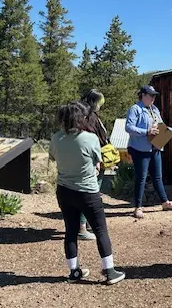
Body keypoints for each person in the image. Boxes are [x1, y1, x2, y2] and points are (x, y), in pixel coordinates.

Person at [49, 101, 125, 285]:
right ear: (81, 118)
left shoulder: (56, 138)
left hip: (64, 190)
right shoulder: (90, 138)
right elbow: (98, 164)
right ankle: (109, 271)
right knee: (100, 230)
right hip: (87, 191)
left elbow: (53, 157)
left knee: (71, 231)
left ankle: (74, 271)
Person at [125, 85, 172, 219]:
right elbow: (128, 127)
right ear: (142, 95)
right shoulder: (135, 109)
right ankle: (138, 207)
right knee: (141, 178)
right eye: (150, 95)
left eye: (154, 95)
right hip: (140, 149)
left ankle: (165, 202)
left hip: (155, 147)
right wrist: (146, 132)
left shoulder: (154, 110)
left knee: (158, 177)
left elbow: (162, 127)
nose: (153, 98)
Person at [76, 89, 109, 241]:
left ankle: (86, 223)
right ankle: (82, 227)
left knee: (89, 192)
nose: (100, 106)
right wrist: (96, 160)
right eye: (99, 102)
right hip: (92, 160)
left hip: (90, 158)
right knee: (90, 193)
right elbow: (92, 139)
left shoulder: (81, 114)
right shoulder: (88, 117)